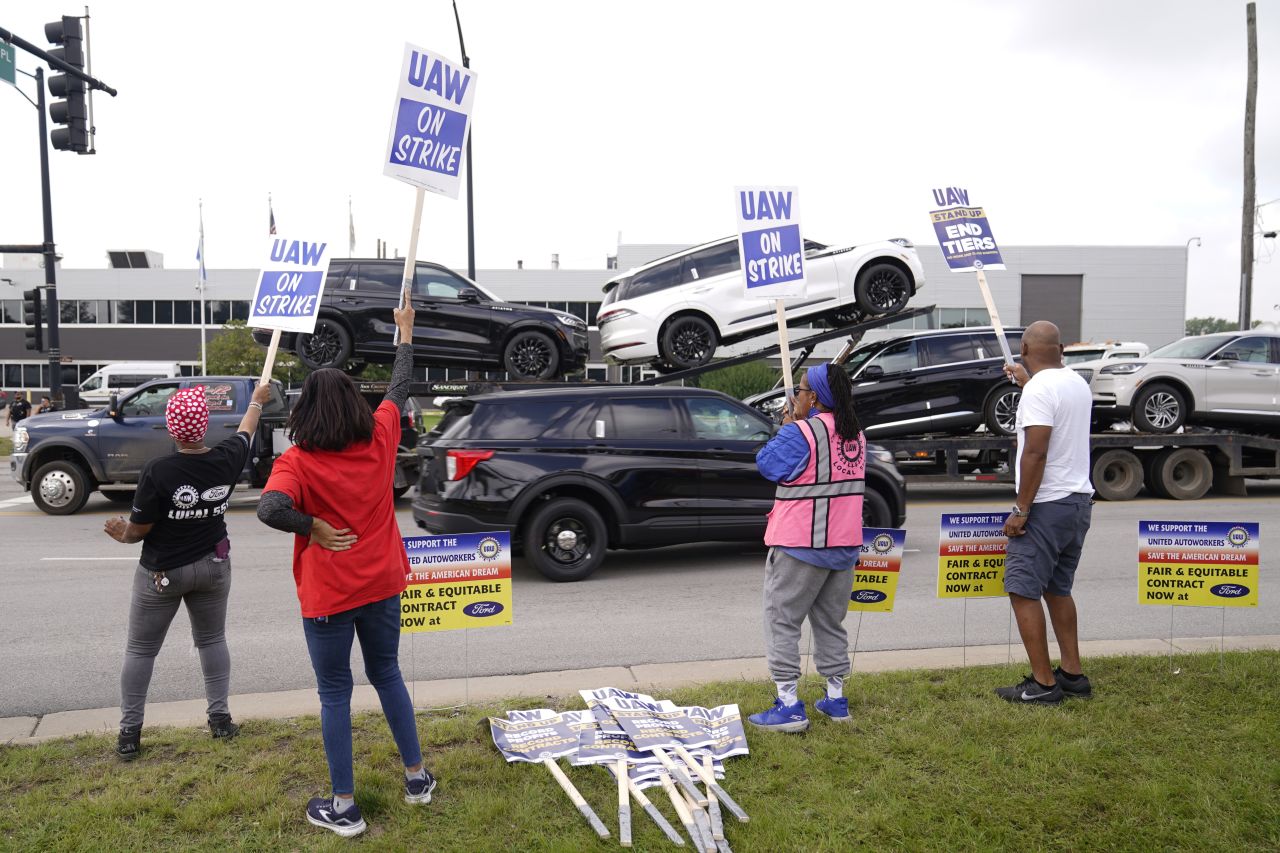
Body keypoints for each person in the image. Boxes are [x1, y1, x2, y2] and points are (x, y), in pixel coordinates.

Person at [257, 300, 434, 839]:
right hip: (383, 585)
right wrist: (405, 335)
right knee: (388, 676)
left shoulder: (296, 462)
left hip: (330, 596)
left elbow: (269, 509)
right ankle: (417, 779)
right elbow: (398, 390)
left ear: (305, 412)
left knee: (335, 693)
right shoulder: (381, 440)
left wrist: (310, 526)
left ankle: (344, 806)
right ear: (356, 404)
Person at [104, 380, 274, 758]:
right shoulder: (227, 458)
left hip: (162, 573)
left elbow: (139, 531)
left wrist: (122, 533)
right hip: (214, 565)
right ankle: (220, 720)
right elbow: (245, 431)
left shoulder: (158, 471)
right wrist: (257, 401)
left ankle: (129, 735)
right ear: (204, 425)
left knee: (141, 650)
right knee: (212, 640)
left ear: (170, 427)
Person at [748, 363, 866, 733]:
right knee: (831, 623)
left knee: (782, 621)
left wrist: (788, 426)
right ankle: (835, 699)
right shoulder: (856, 434)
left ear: (814, 397)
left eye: (799, 391)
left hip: (801, 544)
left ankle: (787, 706)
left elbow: (767, 465)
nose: (795, 396)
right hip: (843, 546)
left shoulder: (802, 432)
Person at [998, 320, 1095, 705]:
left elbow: (1035, 451)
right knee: (1058, 589)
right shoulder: (1076, 383)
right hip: (1077, 502)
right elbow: (1054, 408)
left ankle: (1042, 684)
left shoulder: (1038, 389)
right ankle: (1072, 674)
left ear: (1023, 349)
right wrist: (1027, 381)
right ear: (1061, 350)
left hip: (1046, 505)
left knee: (1021, 589)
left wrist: (1021, 508)